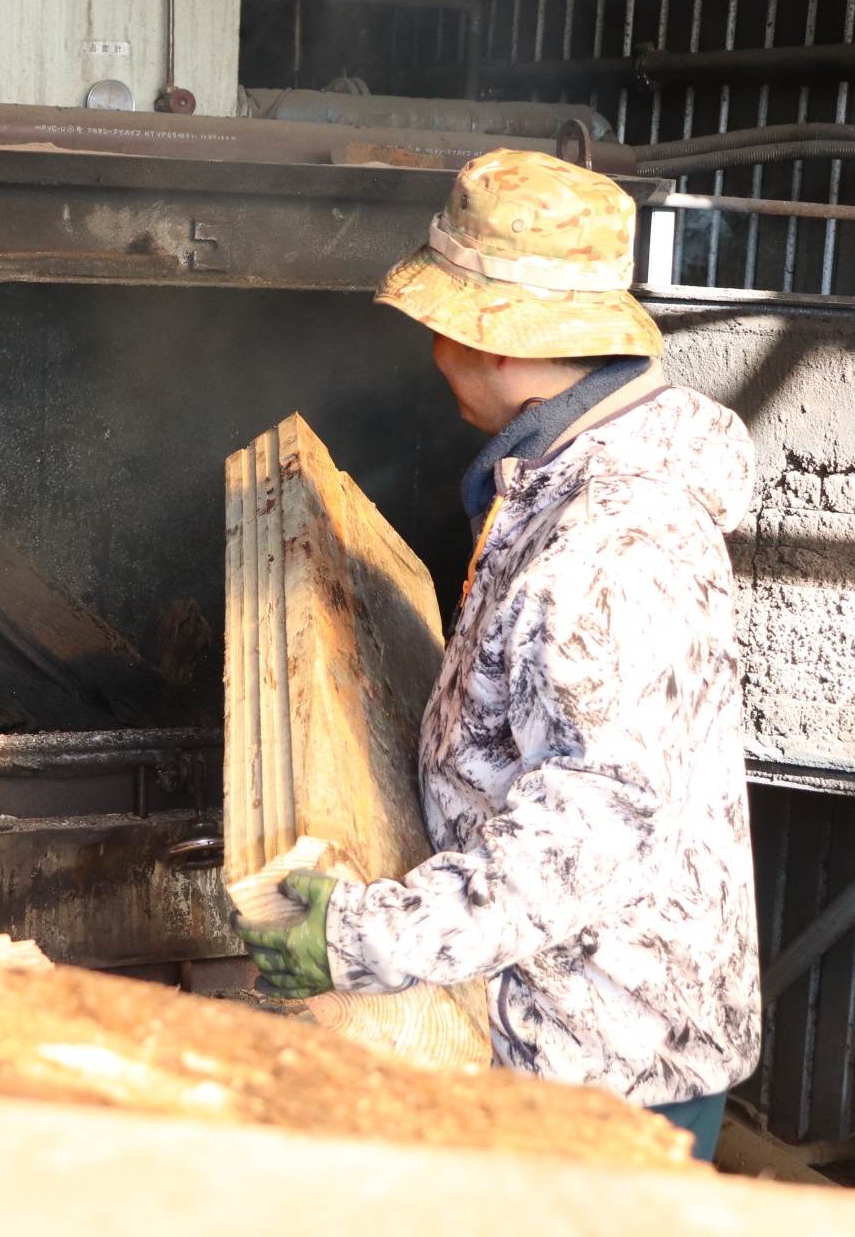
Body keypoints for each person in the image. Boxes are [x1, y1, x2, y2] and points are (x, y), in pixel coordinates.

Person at [235, 149, 760, 1163]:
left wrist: (360, 939)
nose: (435, 352)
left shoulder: (609, 546)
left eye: (446, 327)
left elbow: (580, 838)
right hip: (575, 1031)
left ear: (501, 343)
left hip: (598, 1065)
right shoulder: (573, 483)